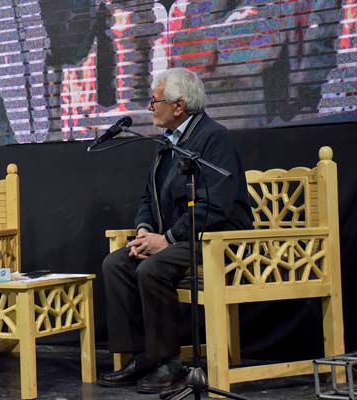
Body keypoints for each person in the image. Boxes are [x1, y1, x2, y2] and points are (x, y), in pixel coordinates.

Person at [98, 68, 253, 394]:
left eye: (154, 101)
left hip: (217, 239)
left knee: (153, 267)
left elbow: (214, 207)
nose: (150, 107)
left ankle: (168, 362)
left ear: (179, 106)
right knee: (116, 263)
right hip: (181, 237)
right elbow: (148, 196)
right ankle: (143, 355)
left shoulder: (214, 139)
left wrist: (166, 239)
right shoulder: (169, 142)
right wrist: (144, 231)